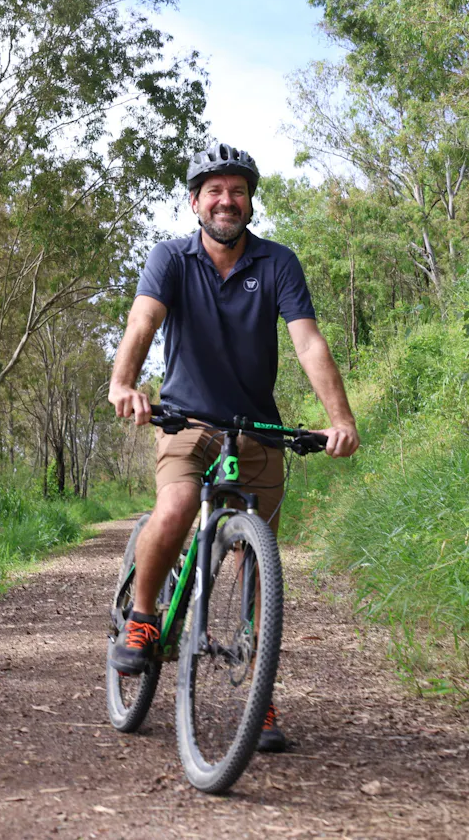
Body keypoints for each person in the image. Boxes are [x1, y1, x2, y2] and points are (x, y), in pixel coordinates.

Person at [107, 140, 359, 753]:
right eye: (214, 190)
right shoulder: (171, 258)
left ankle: (255, 685)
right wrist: (123, 383)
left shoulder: (277, 264)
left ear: (249, 201)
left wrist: (340, 418)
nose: (227, 199)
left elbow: (308, 343)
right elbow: (142, 323)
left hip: (258, 430)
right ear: (196, 202)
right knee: (175, 508)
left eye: (238, 190)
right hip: (187, 423)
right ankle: (143, 620)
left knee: (257, 562)